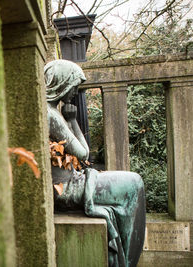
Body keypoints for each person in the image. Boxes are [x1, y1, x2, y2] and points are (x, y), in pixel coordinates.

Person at [45, 60, 146, 267]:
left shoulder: (51, 112)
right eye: (74, 86)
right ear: (62, 83)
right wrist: (72, 121)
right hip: (67, 189)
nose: (75, 92)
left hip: (72, 180)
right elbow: (83, 153)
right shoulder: (51, 115)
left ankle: (126, 259)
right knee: (134, 184)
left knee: (134, 184)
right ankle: (127, 262)